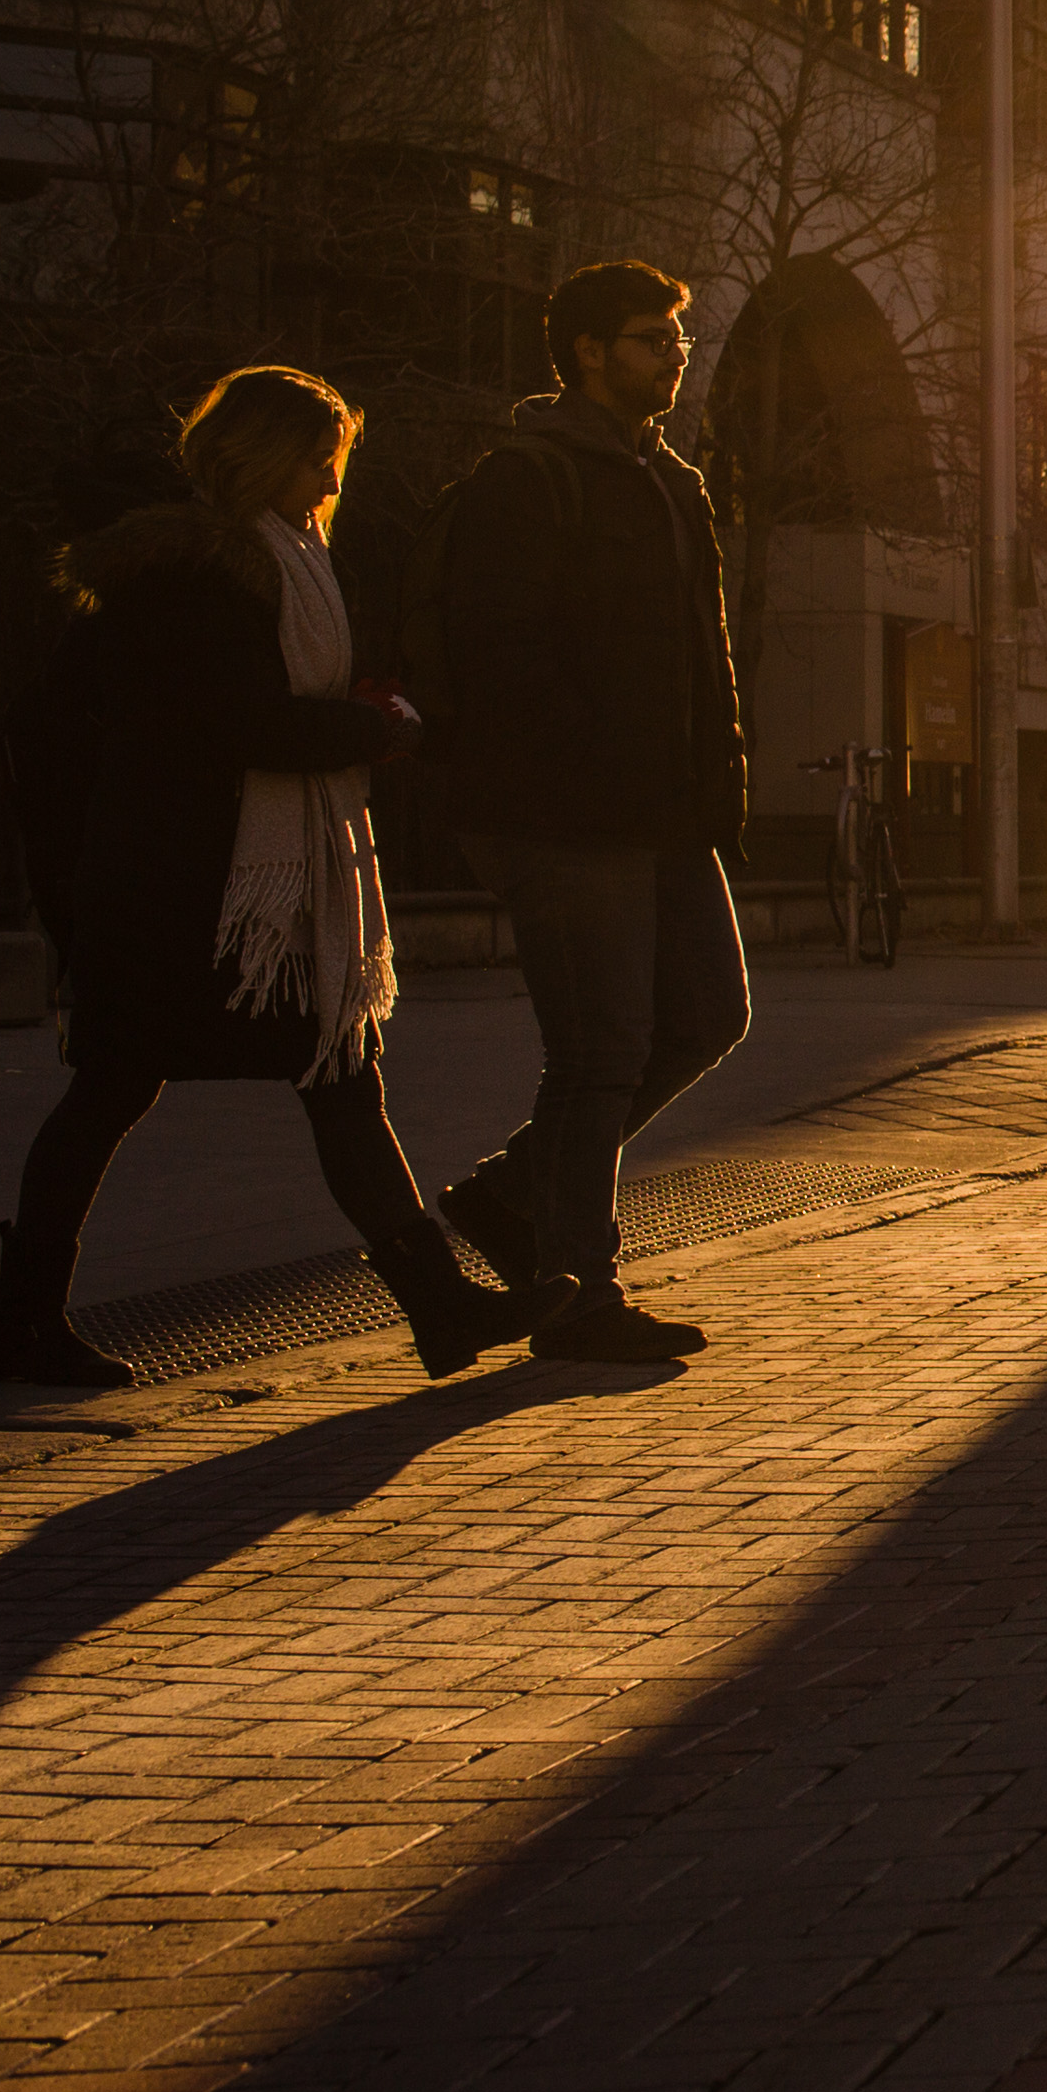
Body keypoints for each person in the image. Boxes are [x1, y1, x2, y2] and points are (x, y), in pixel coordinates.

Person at [0, 373, 525, 1389]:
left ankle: (439, 1306)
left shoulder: (280, 561)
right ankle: (20, 1324)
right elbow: (244, 724)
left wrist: (360, 718)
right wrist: (380, 730)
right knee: (124, 1089)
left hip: (230, 883)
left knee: (329, 1075)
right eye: (317, 452)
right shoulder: (200, 574)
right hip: (187, 890)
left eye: (337, 454)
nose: (331, 474)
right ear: (258, 452)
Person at [426, 261, 750, 1363]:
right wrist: (596, 772)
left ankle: (515, 1197)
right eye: (650, 338)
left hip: (663, 812)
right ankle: (579, 1294)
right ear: (588, 353)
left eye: (676, 338)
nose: (671, 354)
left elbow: (707, 657)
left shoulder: (672, 480)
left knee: (707, 1011)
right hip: (565, 814)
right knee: (600, 1047)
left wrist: (721, 781)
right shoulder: (526, 477)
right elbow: (501, 656)